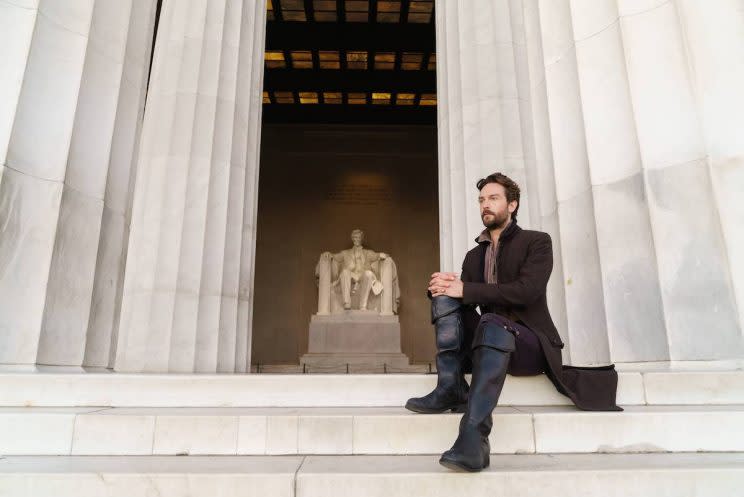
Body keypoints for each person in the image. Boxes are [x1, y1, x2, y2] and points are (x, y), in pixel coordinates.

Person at [406, 172, 621, 472]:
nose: (485, 204)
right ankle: (450, 386)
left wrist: (466, 289)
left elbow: (526, 291)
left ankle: (473, 439)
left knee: (492, 320)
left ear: (512, 204)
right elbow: (463, 299)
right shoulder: (473, 256)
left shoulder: (537, 242)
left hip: (529, 345)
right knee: (447, 301)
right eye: (482, 199)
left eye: (493, 198)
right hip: (488, 340)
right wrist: (440, 288)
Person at [321, 229, 387, 310]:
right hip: (350, 276)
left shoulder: (368, 253)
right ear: (352, 239)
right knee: (345, 272)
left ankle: (363, 305)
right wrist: (329, 254)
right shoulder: (345, 253)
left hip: (363, 276)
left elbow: (376, 255)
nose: (357, 239)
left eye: (359, 237)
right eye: (355, 237)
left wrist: (382, 255)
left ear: (361, 239)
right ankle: (347, 303)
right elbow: (335, 257)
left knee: (369, 274)